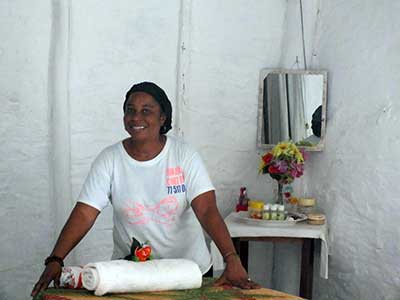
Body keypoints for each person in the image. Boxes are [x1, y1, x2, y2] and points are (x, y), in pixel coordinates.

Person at [31, 82, 260, 297]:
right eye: (130, 110)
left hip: (189, 273)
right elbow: (85, 213)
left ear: (162, 118)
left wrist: (231, 258)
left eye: (146, 110)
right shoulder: (110, 159)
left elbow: (207, 210)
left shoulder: (183, 156)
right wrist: (56, 259)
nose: (136, 117)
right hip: (133, 275)